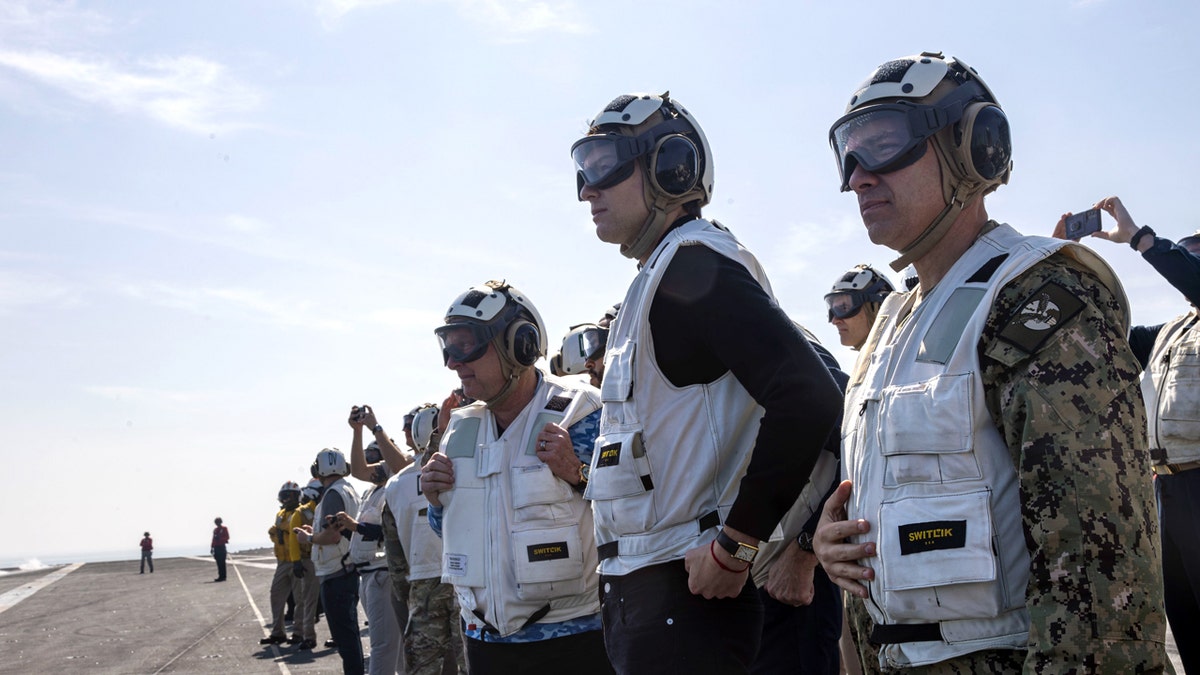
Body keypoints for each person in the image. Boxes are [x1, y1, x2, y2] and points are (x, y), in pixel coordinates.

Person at [813, 51, 1169, 672]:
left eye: (884, 144)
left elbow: (1102, 565)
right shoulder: (894, 324)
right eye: (849, 153)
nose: (858, 177)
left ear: (974, 147)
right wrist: (832, 543)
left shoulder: (1039, 295)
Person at [571, 92, 842, 673]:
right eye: (581, 168)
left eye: (602, 165)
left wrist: (736, 546)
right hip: (653, 593)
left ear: (673, 166)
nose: (585, 188)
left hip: (690, 596)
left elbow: (809, 397)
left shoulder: (694, 263)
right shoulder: (659, 274)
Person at [420, 280, 612, 675]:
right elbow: (453, 529)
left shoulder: (581, 413)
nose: (453, 362)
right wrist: (436, 500)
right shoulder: (459, 430)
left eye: (466, 345)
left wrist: (576, 473)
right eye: (448, 347)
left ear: (519, 345)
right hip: (484, 642)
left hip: (573, 642)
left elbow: (635, 508)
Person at [1055, 195, 1200, 674]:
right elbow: (1101, 333)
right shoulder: (1168, 332)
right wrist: (1059, 268)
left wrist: (1140, 240)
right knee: (1183, 617)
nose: (1186, 262)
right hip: (1166, 489)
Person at [749, 326, 848, 675]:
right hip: (730, 587)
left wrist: (805, 552)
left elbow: (861, 448)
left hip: (785, 587)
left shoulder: (779, 343)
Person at [386, 401, 467, 674]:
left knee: (423, 666)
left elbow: (393, 548)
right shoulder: (464, 469)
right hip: (462, 578)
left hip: (421, 586)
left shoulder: (395, 485)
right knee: (469, 660)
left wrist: (403, 591)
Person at [343, 423, 410, 675]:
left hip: (382, 573)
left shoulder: (394, 489)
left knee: (383, 646)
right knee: (395, 644)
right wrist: (357, 431)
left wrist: (355, 526)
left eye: (374, 456)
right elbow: (357, 470)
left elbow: (387, 532)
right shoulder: (372, 491)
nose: (369, 462)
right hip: (369, 574)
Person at [296, 448, 363, 675]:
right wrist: (315, 531)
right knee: (349, 638)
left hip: (336, 573)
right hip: (346, 570)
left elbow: (333, 536)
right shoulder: (347, 490)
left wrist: (309, 538)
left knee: (346, 641)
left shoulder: (333, 494)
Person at [263, 481, 303, 646]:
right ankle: (278, 632)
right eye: (284, 495)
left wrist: (282, 529)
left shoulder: (301, 512)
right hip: (282, 560)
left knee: (301, 598)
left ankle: (299, 633)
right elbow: (274, 533)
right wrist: (279, 531)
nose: (286, 499)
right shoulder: (280, 514)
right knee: (276, 595)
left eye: (289, 495)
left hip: (297, 559)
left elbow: (292, 529)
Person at [824, 265, 894, 351]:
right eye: (833, 311)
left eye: (844, 308)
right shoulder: (872, 362)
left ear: (880, 307)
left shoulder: (907, 357)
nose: (835, 321)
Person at [288, 479, 322, 650]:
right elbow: (293, 541)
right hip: (309, 560)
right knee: (307, 599)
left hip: (327, 559)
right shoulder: (301, 513)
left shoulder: (327, 508)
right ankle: (305, 634)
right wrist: (296, 562)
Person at [211, 517, 229, 582]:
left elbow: (227, 537)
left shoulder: (224, 529)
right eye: (216, 522)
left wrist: (220, 538)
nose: (217, 523)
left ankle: (223, 576)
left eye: (218, 522)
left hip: (221, 547)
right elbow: (213, 539)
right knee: (218, 562)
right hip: (216, 547)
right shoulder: (215, 530)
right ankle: (220, 576)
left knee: (222, 562)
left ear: (220, 522)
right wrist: (212, 547)